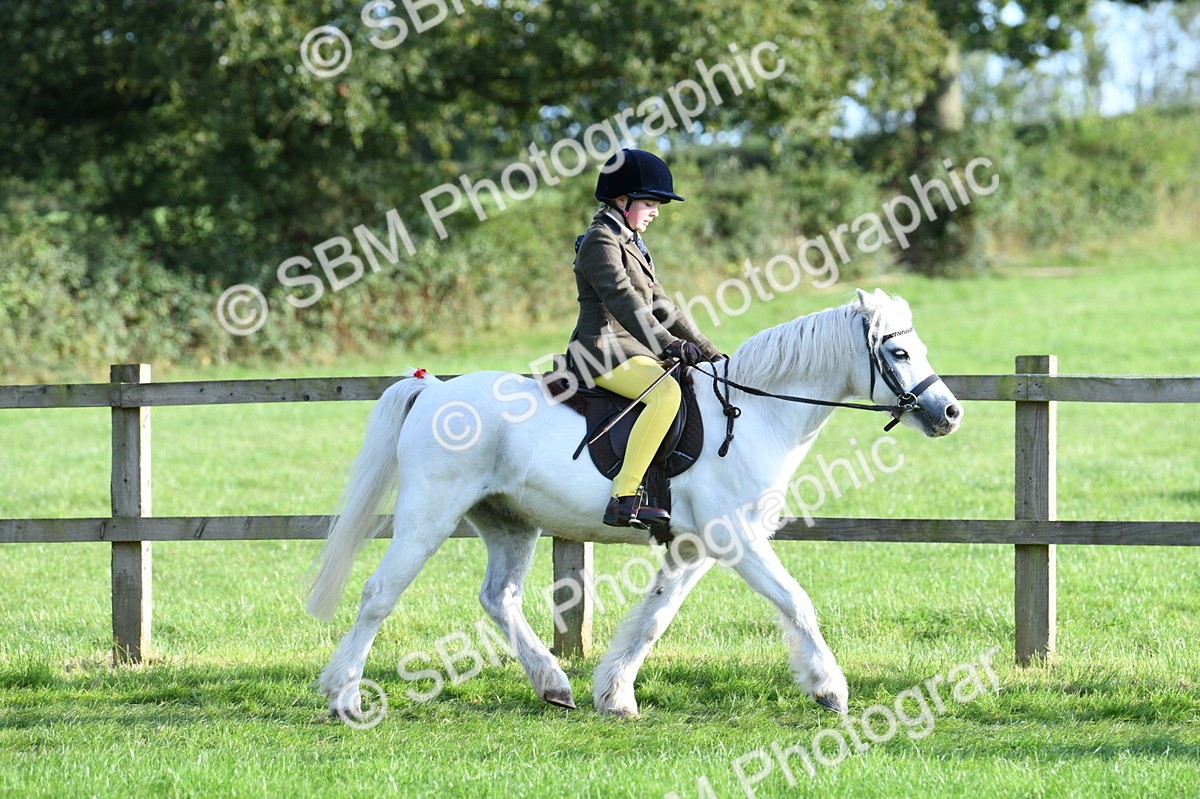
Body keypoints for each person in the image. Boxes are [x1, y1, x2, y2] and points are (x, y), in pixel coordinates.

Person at [568, 149, 724, 530]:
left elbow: (663, 306)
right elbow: (624, 300)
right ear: (622, 200)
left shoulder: (633, 242)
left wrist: (711, 354)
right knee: (664, 393)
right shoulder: (599, 242)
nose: (656, 212)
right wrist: (667, 345)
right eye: (650, 203)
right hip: (600, 352)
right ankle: (624, 496)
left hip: (633, 351)